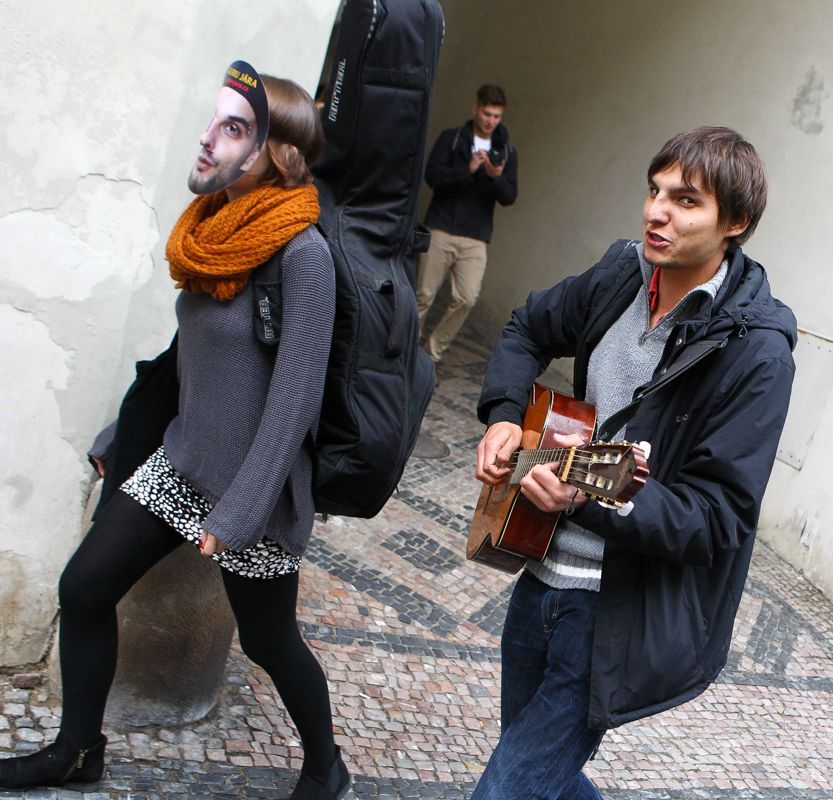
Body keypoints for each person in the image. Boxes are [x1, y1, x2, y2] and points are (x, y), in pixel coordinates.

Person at [0, 62, 352, 800]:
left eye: (233, 127)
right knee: (85, 587)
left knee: (266, 640)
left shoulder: (304, 256)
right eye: (213, 119)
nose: (207, 136)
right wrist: (121, 429)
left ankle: (326, 767)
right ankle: (76, 750)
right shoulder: (216, 233)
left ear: (273, 154)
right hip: (181, 463)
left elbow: (293, 403)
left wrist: (238, 514)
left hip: (251, 496)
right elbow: (188, 356)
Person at [471, 126, 796, 798]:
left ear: (735, 222)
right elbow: (527, 327)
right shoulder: (621, 274)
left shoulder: (757, 354)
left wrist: (588, 493)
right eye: (654, 191)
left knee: (508, 791)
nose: (656, 211)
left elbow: (716, 517)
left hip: (613, 611)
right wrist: (505, 416)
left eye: (685, 200)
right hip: (537, 572)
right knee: (540, 778)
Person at [416, 83, 518, 368]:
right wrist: (468, 169)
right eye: (486, 113)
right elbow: (432, 176)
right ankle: (404, 353)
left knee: (467, 298)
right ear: (475, 109)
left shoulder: (506, 151)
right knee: (423, 296)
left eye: (496, 116)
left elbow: (510, 196)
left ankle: (430, 355)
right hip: (441, 227)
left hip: (476, 236)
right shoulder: (452, 138)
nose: (490, 121)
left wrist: (495, 176)